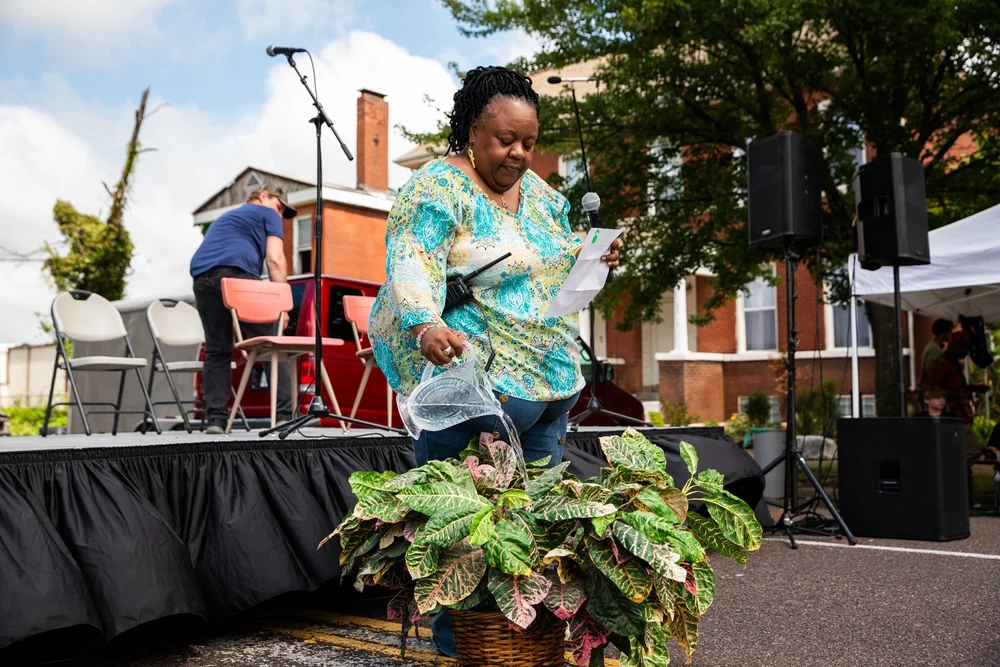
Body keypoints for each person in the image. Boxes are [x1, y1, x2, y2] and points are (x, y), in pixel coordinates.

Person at [368, 65, 620, 658]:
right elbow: (411, 259)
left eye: (529, 142)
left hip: (547, 378)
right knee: (462, 523)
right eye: (506, 140)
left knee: (528, 526)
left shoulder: (542, 198)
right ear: (473, 130)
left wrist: (594, 260)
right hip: (473, 381)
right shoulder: (435, 188)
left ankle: (517, 643)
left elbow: (555, 269)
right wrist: (423, 322)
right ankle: (463, 647)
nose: (519, 153)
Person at [190, 183, 296, 434]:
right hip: (237, 275)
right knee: (272, 342)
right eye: (279, 207)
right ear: (263, 197)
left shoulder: (227, 217)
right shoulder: (267, 213)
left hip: (202, 277)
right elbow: (275, 258)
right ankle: (284, 416)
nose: (279, 215)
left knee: (217, 349)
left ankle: (215, 420)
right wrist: (282, 305)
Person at [922, 331, 988, 507]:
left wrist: (972, 389)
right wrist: (949, 398)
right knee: (972, 449)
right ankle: (949, 469)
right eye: (964, 349)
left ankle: (952, 470)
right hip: (952, 417)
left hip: (959, 416)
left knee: (970, 451)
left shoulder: (952, 365)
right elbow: (932, 387)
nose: (966, 353)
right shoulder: (942, 364)